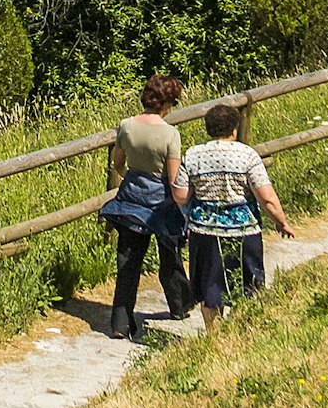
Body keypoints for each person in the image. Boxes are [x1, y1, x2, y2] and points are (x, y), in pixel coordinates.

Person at [180, 100, 293, 319]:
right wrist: (281, 221)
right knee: (247, 285)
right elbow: (266, 197)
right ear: (234, 129)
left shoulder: (192, 155)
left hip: (204, 231)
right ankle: (242, 333)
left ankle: (214, 338)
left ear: (208, 128)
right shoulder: (247, 155)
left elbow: (181, 195)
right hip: (243, 230)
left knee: (209, 289)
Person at [101, 74, 191, 338]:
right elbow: (173, 179)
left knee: (128, 260)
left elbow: (118, 163)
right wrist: (185, 206)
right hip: (160, 203)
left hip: (130, 198)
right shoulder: (170, 134)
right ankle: (179, 304)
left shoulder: (126, 126)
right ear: (168, 103)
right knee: (170, 254)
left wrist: (131, 174)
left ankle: (120, 321)